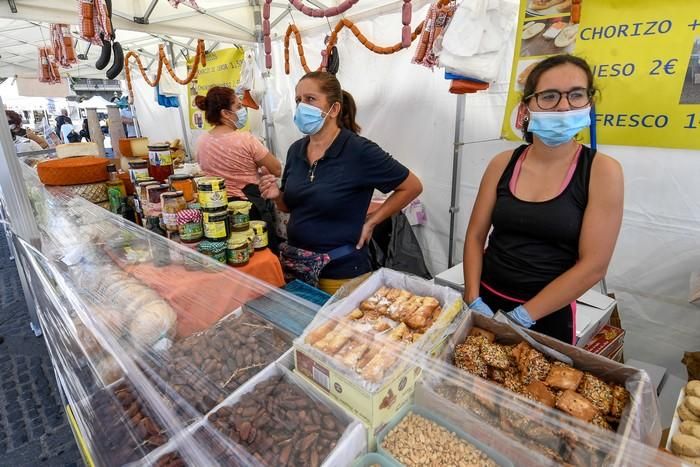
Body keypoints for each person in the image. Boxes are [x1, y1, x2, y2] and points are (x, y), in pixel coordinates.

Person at [462, 54, 624, 344]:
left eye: (576, 95)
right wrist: (472, 297)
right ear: (526, 108)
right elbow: (475, 236)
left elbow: (594, 265)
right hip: (485, 301)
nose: (563, 106)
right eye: (549, 96)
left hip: (548, 315)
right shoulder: (503, 163)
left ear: (589, 103)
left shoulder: (602, 171)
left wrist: (522, 316)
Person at [259, 71, 423, 294]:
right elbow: (288, 206)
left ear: (334, 109)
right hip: (297, 265)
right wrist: (277, 195)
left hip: (341, 271)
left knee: (337, 329)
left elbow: (412, 186)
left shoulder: (359, 151)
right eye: (298, 100)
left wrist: (373, 221)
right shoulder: (296, 149)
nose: (301, 107)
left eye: (310, 99)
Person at [195, 86, 282, 202]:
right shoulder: (246, 139)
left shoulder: (202, 141)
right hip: (247, 205)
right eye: (238, 107)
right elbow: (276, 169)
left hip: (215, 204)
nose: (243, 110)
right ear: (225, 113)